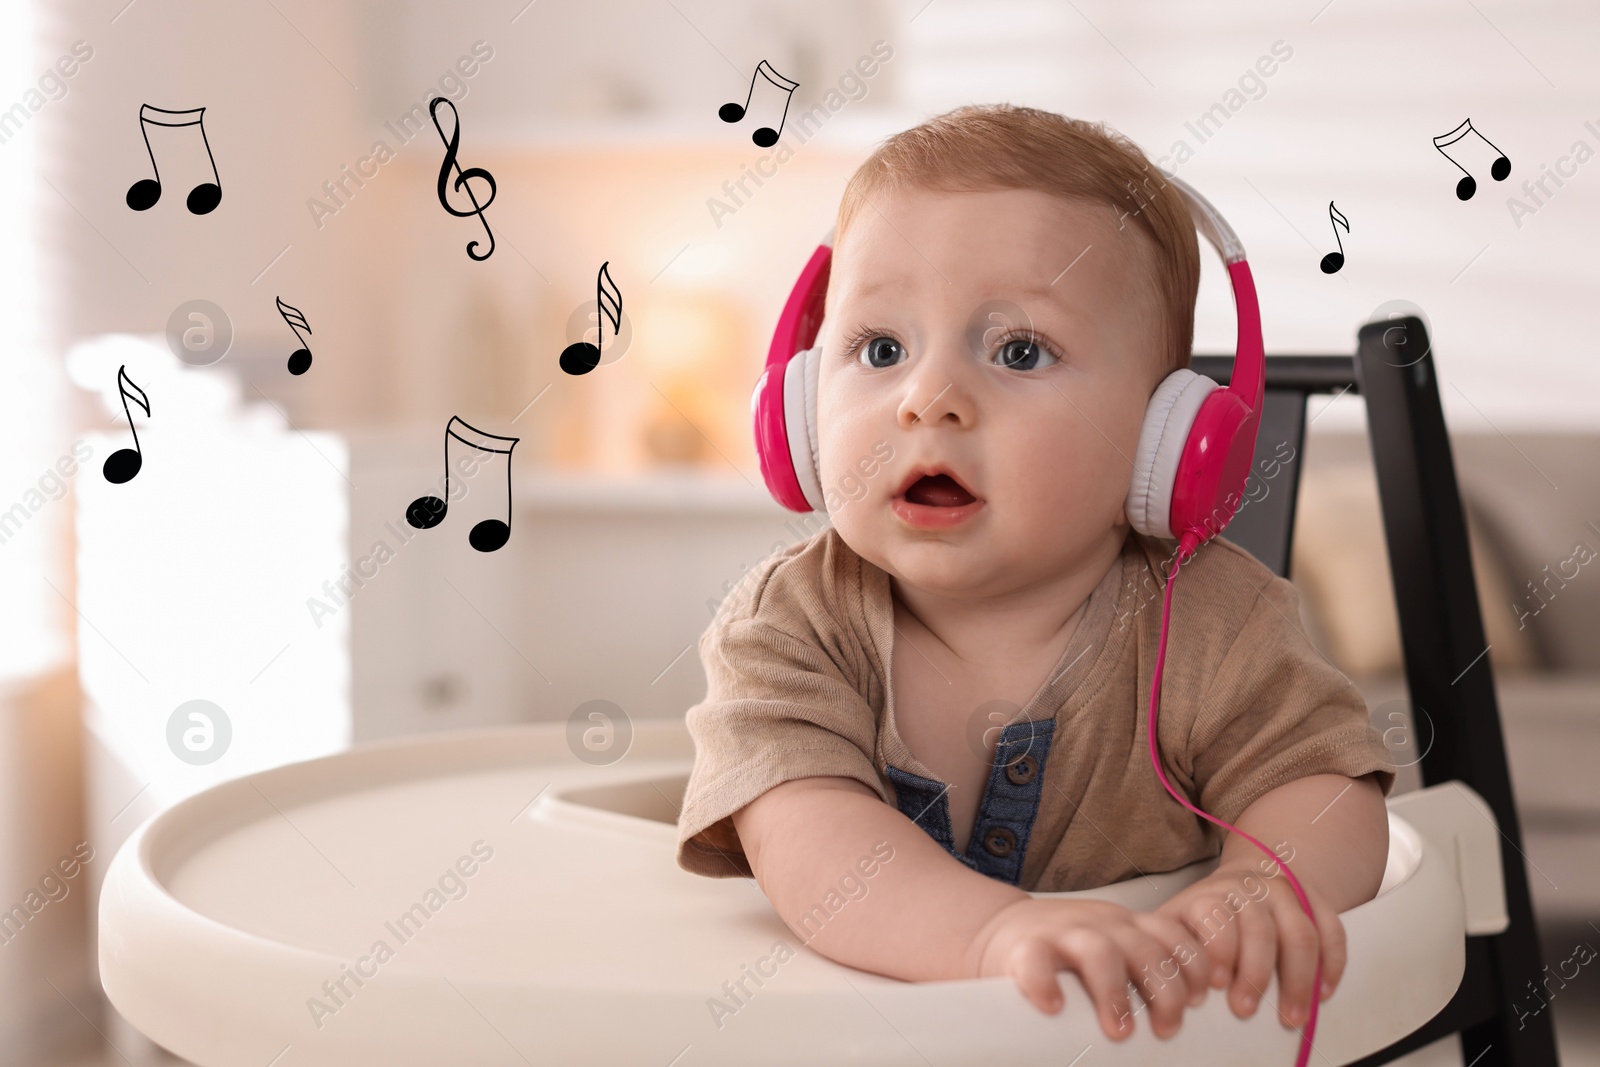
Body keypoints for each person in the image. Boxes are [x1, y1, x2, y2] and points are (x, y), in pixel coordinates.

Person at [676, 103, 1396, 1042]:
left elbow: (1325, 786)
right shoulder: (789, 624)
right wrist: (992, 935)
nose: (929, 398)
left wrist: (1263, 886)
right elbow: (805, 836)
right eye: (880, 349)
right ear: (801, 406)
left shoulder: (1212, 620)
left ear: (1164, 440)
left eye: (1020, 350)